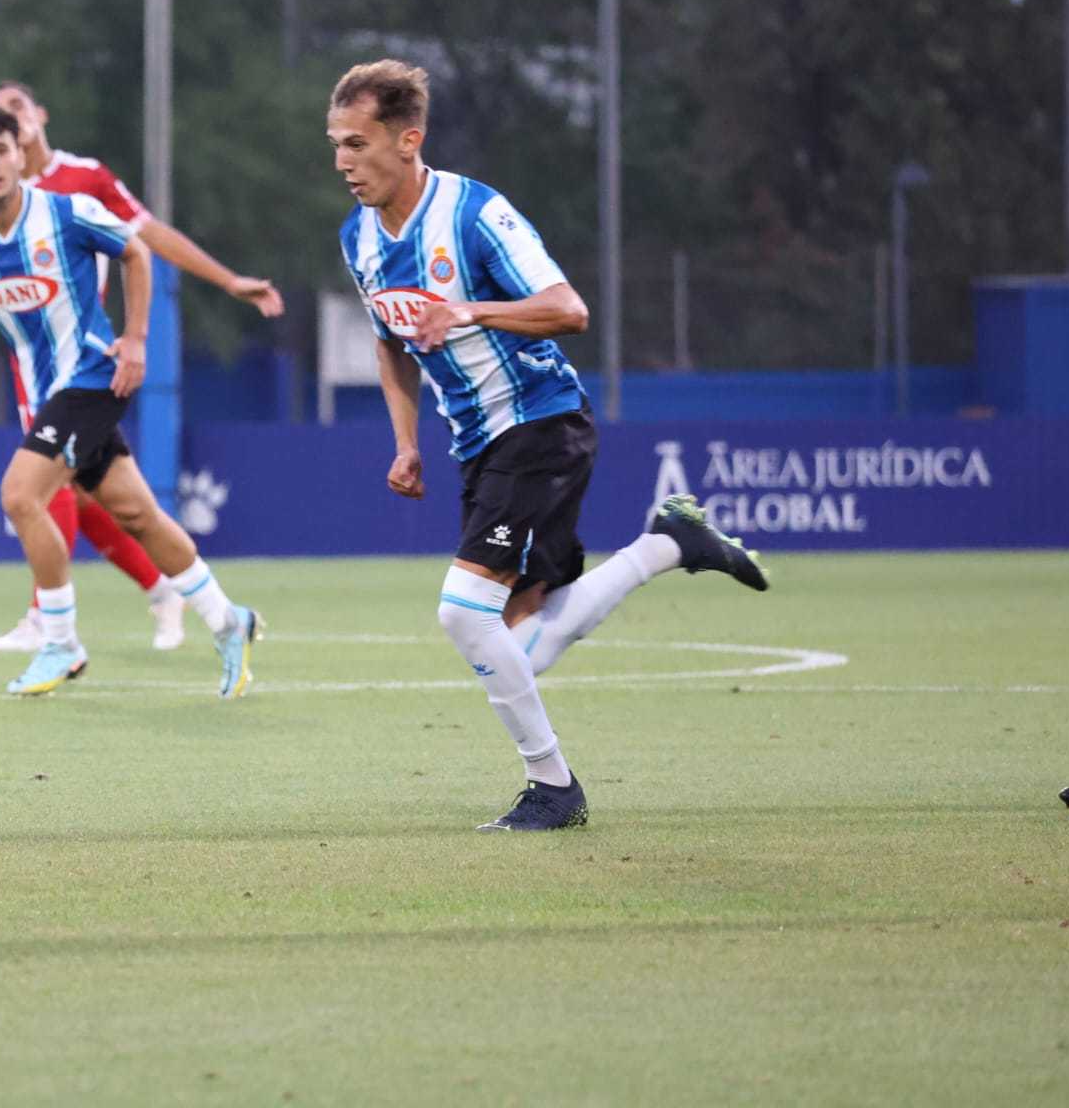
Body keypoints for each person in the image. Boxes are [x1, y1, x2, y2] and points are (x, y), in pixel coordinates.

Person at [325, 59, 768, 831]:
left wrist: (469, 311)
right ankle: (668, 545)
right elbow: (391, 343)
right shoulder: (357, 238)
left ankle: (554, 787)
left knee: (464, 614)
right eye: (335, 144)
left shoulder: (473, 213)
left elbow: (568, 309)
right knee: (517, 643)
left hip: (540, 422)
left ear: (408, 140)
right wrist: (405, 442)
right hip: (478, 446)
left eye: (357, 143)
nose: (342, 161)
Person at [0, 80, 283, 654]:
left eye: (14, 113)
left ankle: (53, 630)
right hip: (33, 368)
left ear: (35, 122)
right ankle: (211, 612)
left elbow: (146, 238)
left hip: (86, 366)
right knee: (117, 505)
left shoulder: (81, 184)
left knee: (27, 491)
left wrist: (224, 282)